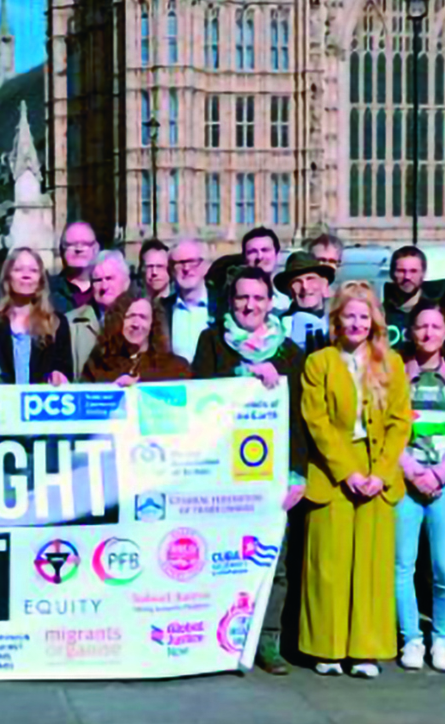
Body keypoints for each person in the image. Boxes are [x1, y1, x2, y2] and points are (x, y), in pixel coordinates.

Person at [189, 267, 308, 674]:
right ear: (230, 301)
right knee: (221, 556)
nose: (250, 305)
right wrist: (244, 379)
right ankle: (218, 638)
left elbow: (298, 420)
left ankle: (268, 640)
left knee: (274, 561)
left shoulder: (290, 353)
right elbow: (199, 397)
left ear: (270, 303)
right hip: (223, 473)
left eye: (258, 298)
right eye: (242, 298)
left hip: (272, 475)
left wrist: (298, 473)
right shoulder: (211, 342)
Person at [298, 281, 411, 679]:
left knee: (371, 566)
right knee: (329, 564)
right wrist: (347, 471)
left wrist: (379, 473)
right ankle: (325, 647)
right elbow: (317, 422)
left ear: (375, 321)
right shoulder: (319, 363)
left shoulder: (392, 363)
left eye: (364, 316)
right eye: (350, 315)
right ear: (337, 319)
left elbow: (400, 423)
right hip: (333, 470)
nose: (357, 323)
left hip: (378, 470)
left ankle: (365, 649)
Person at [394, 300, 445, 673]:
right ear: (411, 332)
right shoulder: (397, 374)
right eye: (421, 327)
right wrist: (413, 473)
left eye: (435, 327)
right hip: (406, 481)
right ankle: (411, 636)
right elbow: (390, 432)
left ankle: (441, 637)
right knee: (402, 565)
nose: (428, 333)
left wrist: (440, 474)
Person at [0, 247, 73, 386]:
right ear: (8, 277)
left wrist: (58, 375)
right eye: (18, 269)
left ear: (41, 279)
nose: (26, 275)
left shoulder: (56, 324)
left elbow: (65, 369)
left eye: (33, 270)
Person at [80, 291, 190, 384]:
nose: (136, 324)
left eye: (143, 317)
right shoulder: (97, 365)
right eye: (130, 316)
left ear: (153, 324)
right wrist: (113, 391)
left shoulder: (175, 367)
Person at [65, 251, 133, 376]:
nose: (104, 286)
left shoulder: (141, 319)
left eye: (109, 278)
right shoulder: (71, 323)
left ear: (126, 282)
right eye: (98, 280)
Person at [163, 238, 217, 363]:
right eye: (179, 263)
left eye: (193, 262)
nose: (186, 268)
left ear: (205, 266)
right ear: (171, 270)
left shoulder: (223, 305)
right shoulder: (161, 311)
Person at [276, 251, 335, 354]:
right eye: (297, 282)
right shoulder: (281, 329)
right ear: (289, 291)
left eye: (311, 279)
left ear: (324, 285)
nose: (305, 287)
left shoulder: (337, 321)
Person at [385, 246, 428, 348]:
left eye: (413, 271)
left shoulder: (434, 311)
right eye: (401, 271)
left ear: (423, 274)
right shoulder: (379, 313)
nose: (407, 277)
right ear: (392, 273)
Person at [56, 221, 99, 311]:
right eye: (71, 244)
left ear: (95, 249)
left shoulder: (107, 290)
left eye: (85, 244)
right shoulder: (48, 292)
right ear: (61, 250)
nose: (79, 249)